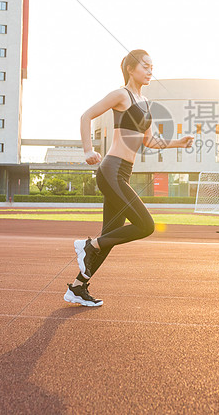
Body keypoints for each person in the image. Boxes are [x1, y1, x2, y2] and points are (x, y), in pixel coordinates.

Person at [64, 49, 194, 307]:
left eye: (152, 66)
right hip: (110, 170)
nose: (150, 71)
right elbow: (86, 116)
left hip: (123, 172)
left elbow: (150, 141)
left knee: (109, 237)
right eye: (145, 66)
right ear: (131, 68)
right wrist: (88, 150)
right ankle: (88, 245)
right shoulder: (120, 95)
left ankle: (78, 286)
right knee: (146, 225)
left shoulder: (145, 103)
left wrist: (178, 143)